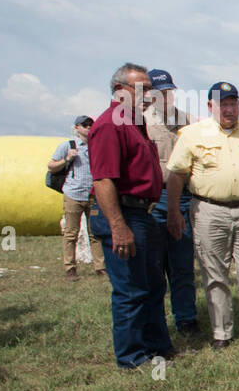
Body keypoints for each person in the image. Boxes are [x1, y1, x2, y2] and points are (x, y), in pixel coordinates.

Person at [165, 82, 239, 349]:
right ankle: (222, 334)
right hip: (209, 210)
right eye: (223, 104)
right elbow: (176, 175)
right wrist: (173, 211)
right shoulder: (193, 134)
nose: (229, 109)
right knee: (215, 274)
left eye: (233, 103)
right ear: (210, 107)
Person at [86, 63, 174, 369]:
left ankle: (157, 349)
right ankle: (132, 358)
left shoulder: (134, 123)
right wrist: (118, 226)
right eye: (144, 89)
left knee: (151, 285)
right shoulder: (110, 124)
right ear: (120, 91)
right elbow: (103, 180)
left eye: (150, 89)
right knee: (130, 289)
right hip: (123, 213)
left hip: (141, 213)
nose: (150, 95)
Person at [144, 69, 199, 337]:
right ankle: (154, 321)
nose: (164, 97)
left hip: (185, 195)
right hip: (155, 198)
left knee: (182, 261)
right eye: (158, 92)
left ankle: (186, 318)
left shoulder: (187, 121)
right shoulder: (140, 121)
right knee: (153, 263)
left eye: (168, 91)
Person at [48, 115, 105, 279]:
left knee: (95, 232)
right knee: (71, 232)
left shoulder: (97, 146)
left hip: (93, 195)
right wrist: (67, 159)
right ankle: (70, 268)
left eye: (90, 124)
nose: (88, 127)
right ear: (77, 128)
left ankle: (100, 267)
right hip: (73, 194)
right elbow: (51, 166)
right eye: (85, 125)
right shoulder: (67, 146)